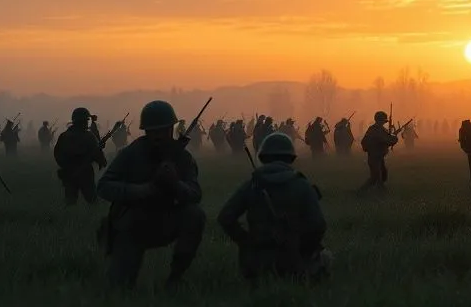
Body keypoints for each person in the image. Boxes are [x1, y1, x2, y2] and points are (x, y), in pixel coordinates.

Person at [96, 100, 205, 289]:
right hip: (131, 225)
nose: (158, 136)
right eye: (152, 131)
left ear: (171, 129)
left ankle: (175, 279)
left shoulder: (182, 157)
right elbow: (104, 186)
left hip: (166, 219)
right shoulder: (131, 154)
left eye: (162, 130)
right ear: (145, 131)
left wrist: (175, 184)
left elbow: (195, 194)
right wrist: (142, 190)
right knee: (118, 288)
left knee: (195, 215)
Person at [217, 132, 330, 283]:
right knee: (325, 257)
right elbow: (318, 225)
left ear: (263, 158)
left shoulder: (252, 184)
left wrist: (246, 241)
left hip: (256, 263)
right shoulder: (302, 185)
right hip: (293, 261)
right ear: (291, 158)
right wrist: (303, 248)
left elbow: (225, 217)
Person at [54, 107, 119, 205]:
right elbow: (97, 154)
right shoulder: (88, 136)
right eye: (86, 120)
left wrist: (66, 167)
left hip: (69, 172)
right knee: (92, 200)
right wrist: (101, 160)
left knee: (70, 200)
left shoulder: (64, 136)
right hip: (85, 173)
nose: (86, 123)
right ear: (83, 121)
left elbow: (57, 154)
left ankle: (69, 219)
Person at [358, 110, 397, 191]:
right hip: (374, 157)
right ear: (380, 120)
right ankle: (361, 192)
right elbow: (387, 141)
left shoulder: (377, 129)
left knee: (383, 175)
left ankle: (380, 190)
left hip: (379, 156)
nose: (384, 123)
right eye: (383, 121)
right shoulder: (376, 130)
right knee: (375, 177)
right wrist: (394, 138)